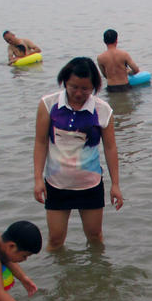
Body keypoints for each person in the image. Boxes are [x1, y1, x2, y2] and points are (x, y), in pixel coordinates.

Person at [33, 57, 123, 250]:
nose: (79, 93)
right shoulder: (48, 105)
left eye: (85, 89)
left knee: (95, 237)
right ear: (64, 81)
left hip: (90, 184)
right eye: (74, 87)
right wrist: (38, 179)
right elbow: (40, 143)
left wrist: (115, 184)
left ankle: (97, 278)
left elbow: (110, 148)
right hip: (56, 184)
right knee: (55, 240)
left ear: (94, 87)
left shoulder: (102, 109)